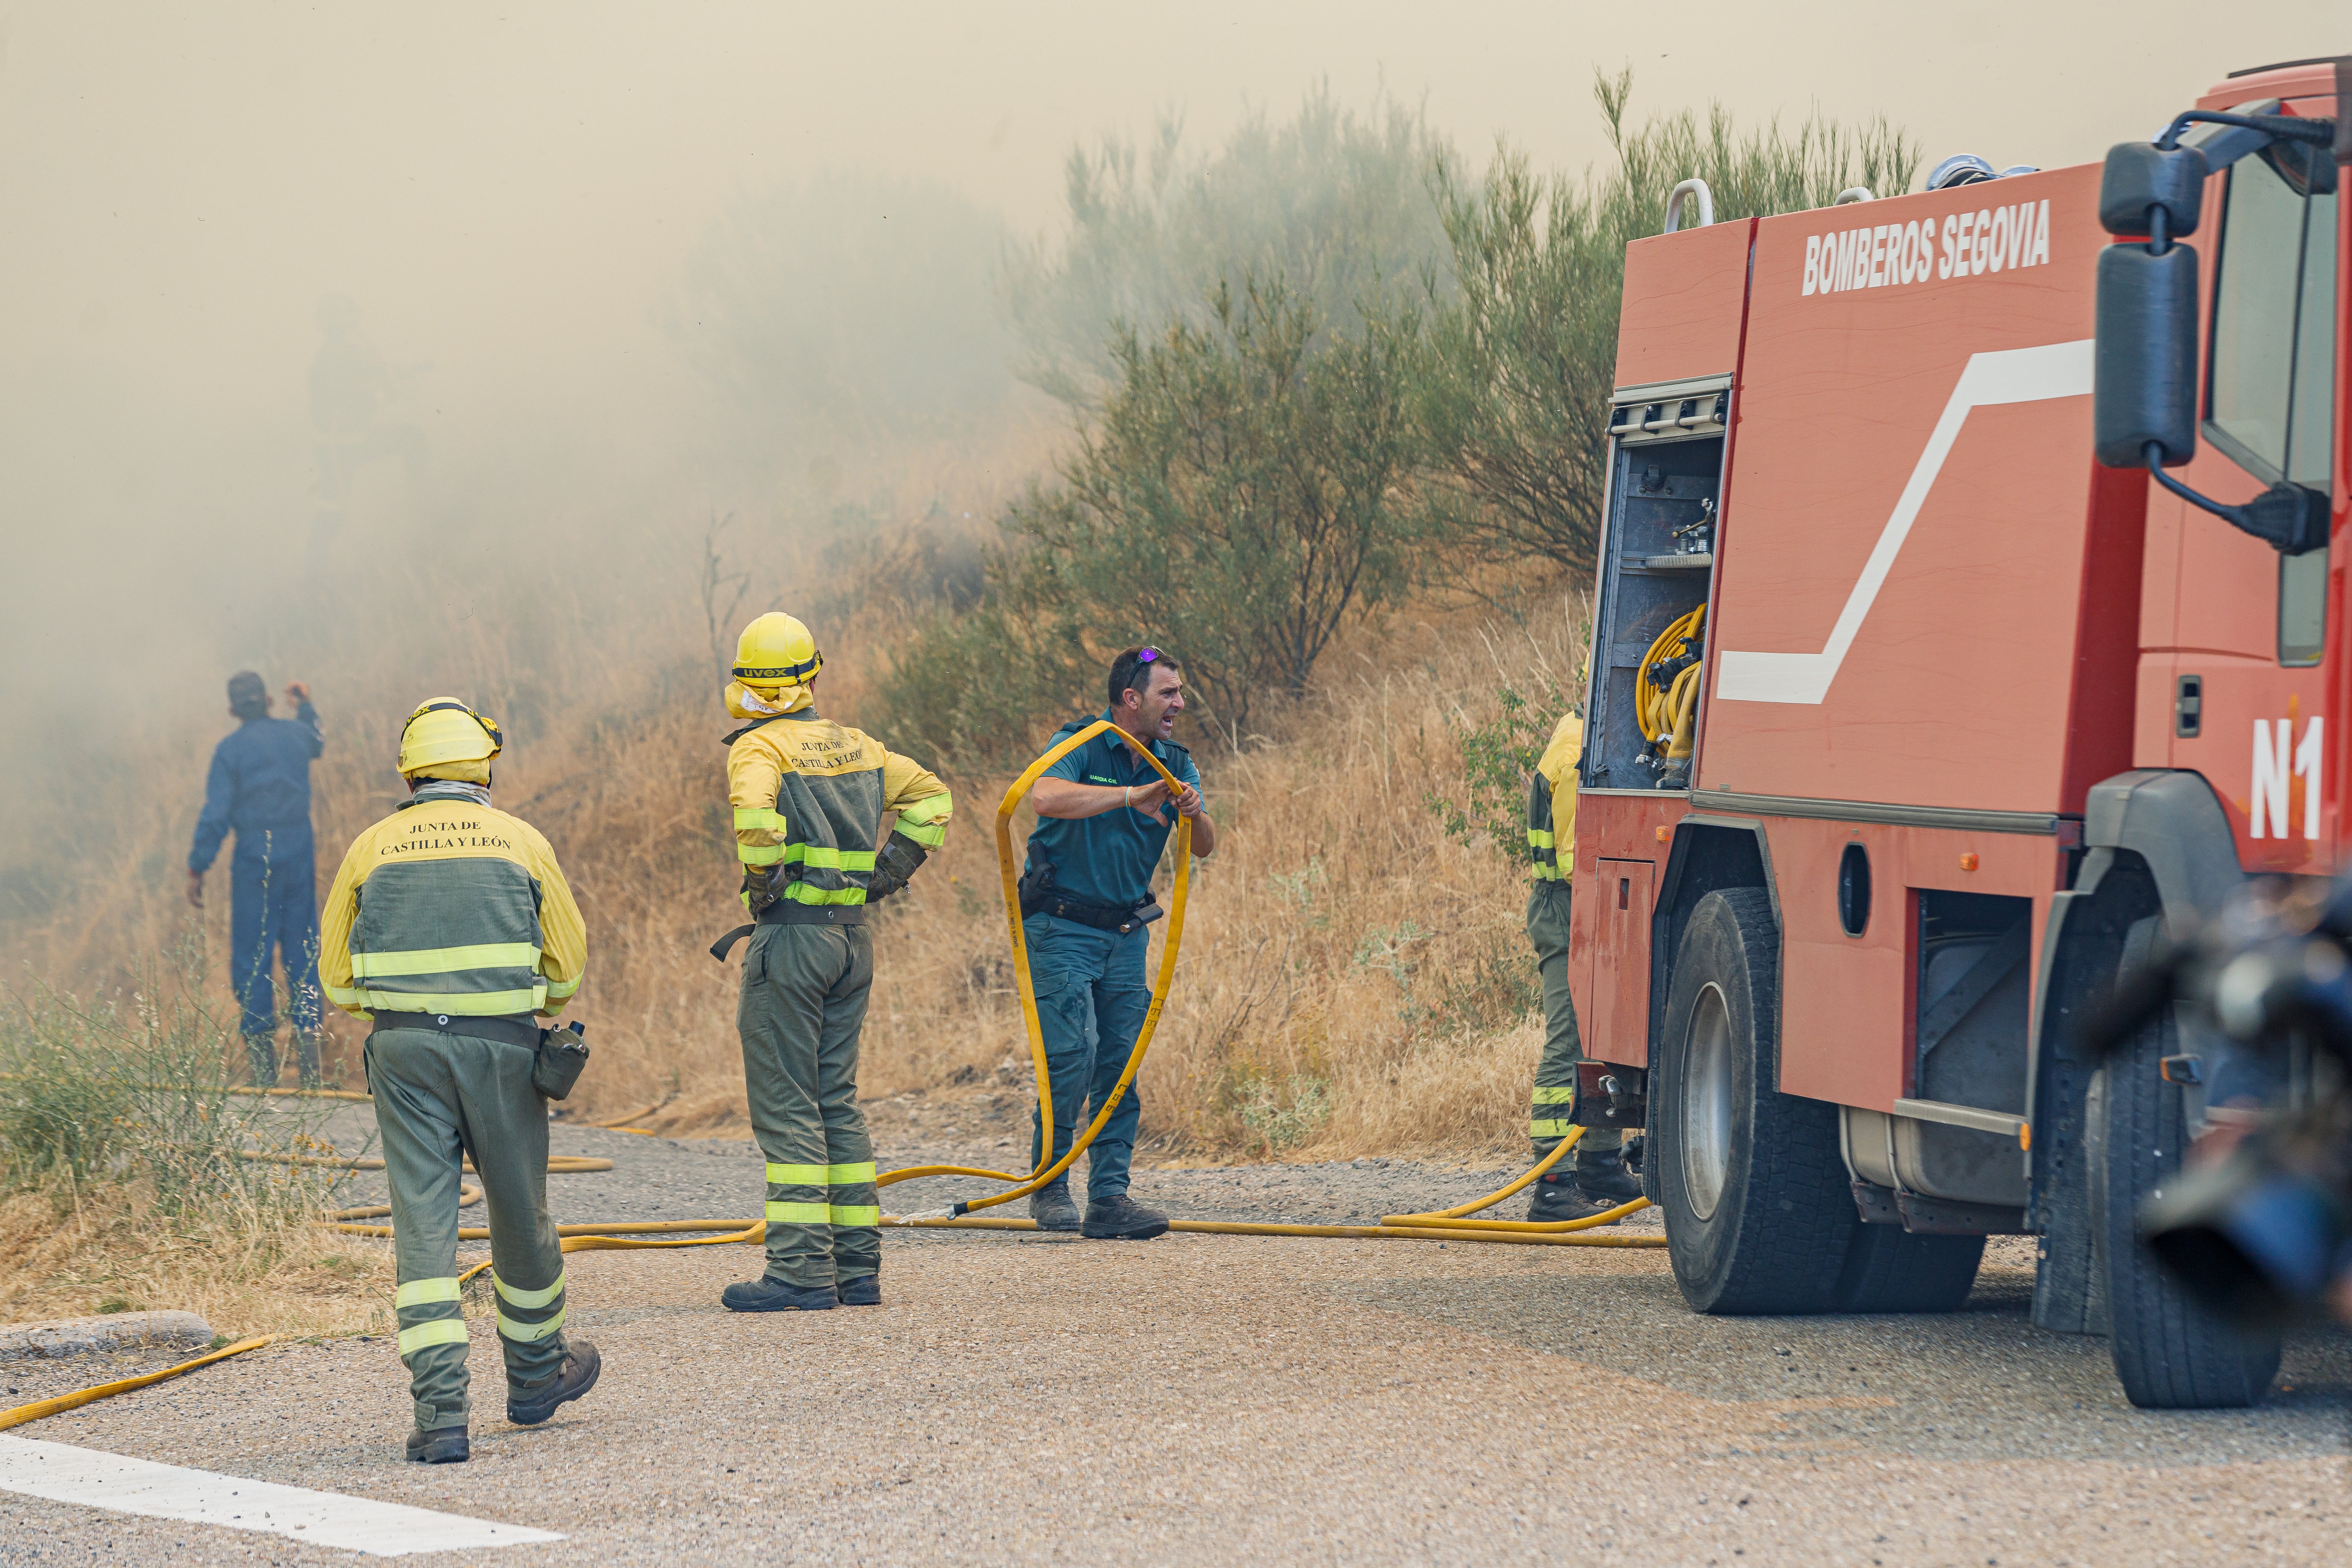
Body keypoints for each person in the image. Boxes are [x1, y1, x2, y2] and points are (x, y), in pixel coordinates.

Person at [317, 697, 598, 1464]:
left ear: (409, 768)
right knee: (519, 1212)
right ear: (483, 766)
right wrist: (513, 1010)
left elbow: (337, 980)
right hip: (503, 1053)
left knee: (423, 1225)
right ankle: (537, 1375)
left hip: (405, 1055)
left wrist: (405, 1013)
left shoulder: (370, 847)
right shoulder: (520, 840)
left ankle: (441, 1414)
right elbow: (567, 967)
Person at [711, 612, 953, 1312]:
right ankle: (857, 1268)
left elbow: (756, 821)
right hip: (852, 940)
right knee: (837, 1102)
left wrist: (763, 887)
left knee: (789, 1106)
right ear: (814, 673)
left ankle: (798, 1271)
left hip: (791, 941)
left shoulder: (760, 748)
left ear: (746, 686)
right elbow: (934, 799)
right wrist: (885, 876)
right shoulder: (863, 747)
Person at [1020, 646, 1217, 1240]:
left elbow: (1204, 844)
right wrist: (1132, 797)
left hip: (1127, 933)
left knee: (1121, 1064)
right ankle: (1050, 1187)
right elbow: (1045, 797)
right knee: (1071, 1057)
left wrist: (1194, 811)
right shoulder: (1080, 742)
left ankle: (1109, 1198)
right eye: (1168, 693)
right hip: (1061, 927)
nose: (1180, 704)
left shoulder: (1176, 761)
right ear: (1130, 699)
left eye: (1179, 693)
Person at [1524, 707, 1643, 1222]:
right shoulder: (1578, 751)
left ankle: (1598, 1164)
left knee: (1605, 1039)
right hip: (1569, 910)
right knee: (1569, 1042)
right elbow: (1579, 859)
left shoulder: (1587, 733)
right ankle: (1552, 1184)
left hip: (1587, 908)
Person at [188, 671, 326, 1087]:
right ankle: (313, 1074)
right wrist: (304, 705)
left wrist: (198, 865)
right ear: (268, 701)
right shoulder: (295, 735)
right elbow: (316, 739)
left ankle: (265, 1076)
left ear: (232, 710)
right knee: (303, 948)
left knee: (253, 953)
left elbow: (216, 814)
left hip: (253, 855)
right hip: (299, 847)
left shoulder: (229, 751)